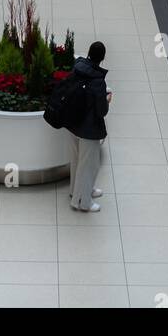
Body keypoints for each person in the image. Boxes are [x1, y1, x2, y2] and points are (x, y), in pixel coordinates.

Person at [66, 42, 111, 213]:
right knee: (89, 164)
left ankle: (75, 191)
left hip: (72, 123)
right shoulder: (98, 81)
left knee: (76, 160)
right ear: (102, 58)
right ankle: (83, 202)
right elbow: (101, 111)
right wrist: (106, 100)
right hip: (88, 129)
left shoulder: (77, 67)